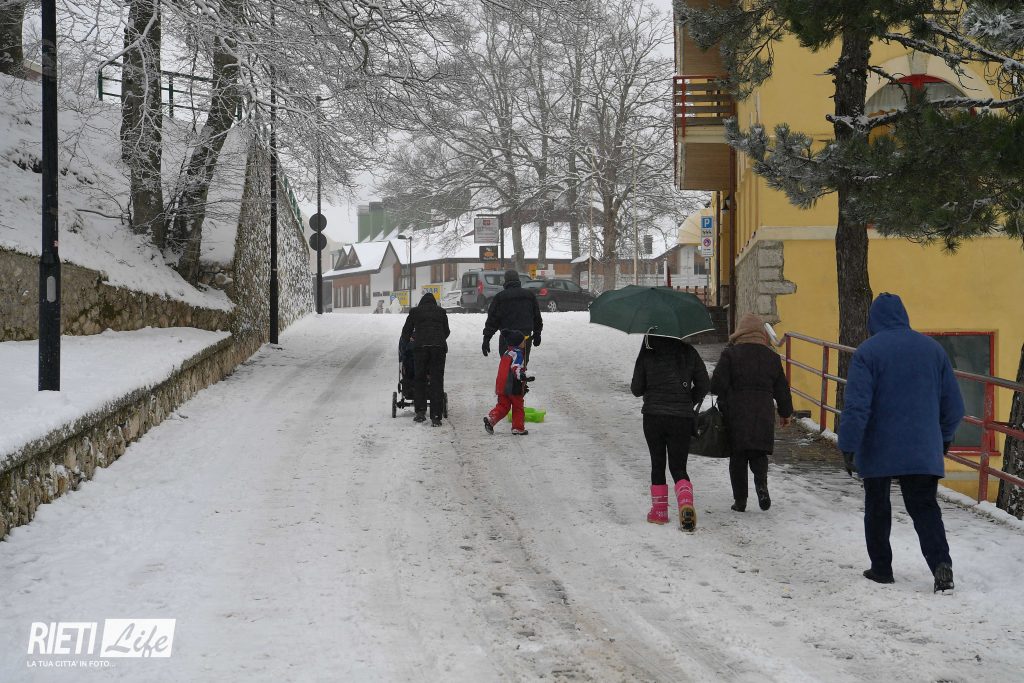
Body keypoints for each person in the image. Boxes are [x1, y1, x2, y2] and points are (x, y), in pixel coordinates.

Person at [838, 293, 964, 593]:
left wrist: (848, 445)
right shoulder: (933, 350)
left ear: (873, 320)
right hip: (922, 446)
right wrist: (944, 438)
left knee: (877, 505)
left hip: (878, 446)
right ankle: (941, 564)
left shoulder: (868, 352)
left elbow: (857, 406)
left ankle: (881, 568)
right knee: (924, 507)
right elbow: (954, 406)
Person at [711, 312, 793, 513]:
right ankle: (762, 486)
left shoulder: (731, 354)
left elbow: (717, 385)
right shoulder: (772, 357)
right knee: (759, 453)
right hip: (762, 413)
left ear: (740, 332)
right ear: (761, 333)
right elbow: (782, 389)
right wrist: (785, 413)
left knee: (738, 457)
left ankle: (740, 501)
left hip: (736, 412)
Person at [630, 334, 710, 530]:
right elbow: (704, 384)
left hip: (653, 417)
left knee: (658, 464)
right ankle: (685, 505)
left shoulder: (648, 353)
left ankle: (659, 512)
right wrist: (687, 400)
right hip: (681, 418)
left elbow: (636, 389)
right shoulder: (688, 352)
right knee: (679, 466)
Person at [400, 293, 451, 426]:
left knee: (420, 379)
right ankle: (436, 417)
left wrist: (407, 344)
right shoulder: (441, 312)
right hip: (438, 349)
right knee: (436, 381)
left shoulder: (415, 312)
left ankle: (420, 413)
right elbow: (446, 331)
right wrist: (437, 339)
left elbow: (406, 332)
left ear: (421, 302)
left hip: (420, 348)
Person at [481, 270, 543, 365]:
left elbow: (492, 320)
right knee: (521, 366)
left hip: (507, 338)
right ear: (518, 280)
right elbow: (536, 317)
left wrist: (486, 338)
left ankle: (510, 374)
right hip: (525, 337)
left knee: (507, 366)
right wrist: (537, 334)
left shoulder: (500, 297)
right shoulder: (529, 296)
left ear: (505, 280)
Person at [483, 329, 532, 436]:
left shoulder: (506, 352)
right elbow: (516, 368)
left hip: (501, 385)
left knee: (503, 406)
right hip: (513, 386)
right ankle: (518, 428)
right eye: (523, 341)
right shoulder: (517, 354)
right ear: (518, 343)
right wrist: (523, 377)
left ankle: (491, 418)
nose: (525, 342)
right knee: (518, 407)